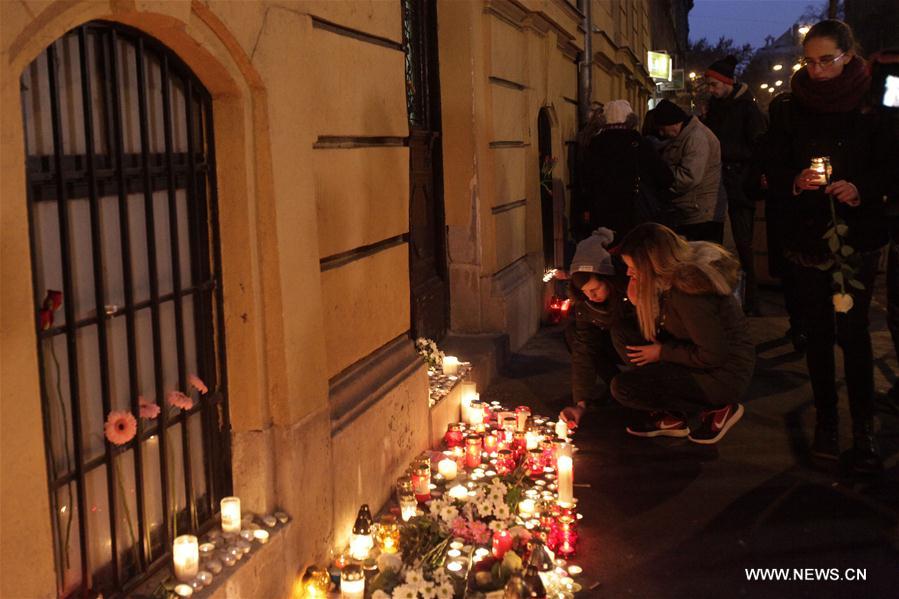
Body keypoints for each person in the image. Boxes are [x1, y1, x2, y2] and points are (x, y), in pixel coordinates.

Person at [764, 19, 894, 473]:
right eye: (809, 61)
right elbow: (767, 168)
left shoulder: (876, 102)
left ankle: (864, 429)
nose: (816, 71)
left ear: (848, 55)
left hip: (856, 237)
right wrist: (794, 182)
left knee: (854, 334)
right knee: (818, 336)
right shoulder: (788, 107)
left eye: (826, 61)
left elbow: (892, 163)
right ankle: (827, 424)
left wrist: (861, 188)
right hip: (805, 237)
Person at [609, 223, 755, 444]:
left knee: (625, 388)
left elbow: (713, 354)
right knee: (624, 333)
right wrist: (641, 300)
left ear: (651, 263)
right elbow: (672, 323)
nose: (629, 272)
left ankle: (718, 407)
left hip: (723, 373)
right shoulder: (668, 280)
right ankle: (673, 417)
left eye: (633, 266)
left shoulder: (688, 291)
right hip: (694, 352)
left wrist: (662, 352)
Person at [703, 55, 768, 315]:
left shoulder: (748, 110)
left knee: (744, 244)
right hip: (718, 181)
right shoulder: (716, 106)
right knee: (717, 245)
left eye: (714, 85)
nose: (710, 90)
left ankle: (751, 301)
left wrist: (749, 175)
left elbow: (759, 147)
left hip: (740, 185)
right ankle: (722, 300)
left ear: (727, 83)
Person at [559, 228, 632, 428]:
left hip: (638, 348)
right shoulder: (586, 304)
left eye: (595, 289)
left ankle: (640, 390)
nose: (591, 296)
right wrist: (580, 404)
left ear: (606, 278)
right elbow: (584, 348)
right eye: (585, 292)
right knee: (574, 334)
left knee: (620, 332)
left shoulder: (630, 292)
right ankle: (615, 385)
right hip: (612, 345)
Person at [581, 100, 675, 242]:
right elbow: (665, 178)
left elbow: (586, 182)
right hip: (635, 212)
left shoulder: (595, 145)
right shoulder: (641, 144)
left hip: (603, 213)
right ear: (630, 120)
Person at [653, 99, 725, 243]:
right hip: (693, 210)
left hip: (700, 213)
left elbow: (688, 177)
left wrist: (662, 178)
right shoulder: (686, 135)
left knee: (700, 259)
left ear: (673, 124)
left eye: (662, 128)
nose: (661, 133)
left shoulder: (696, 138)